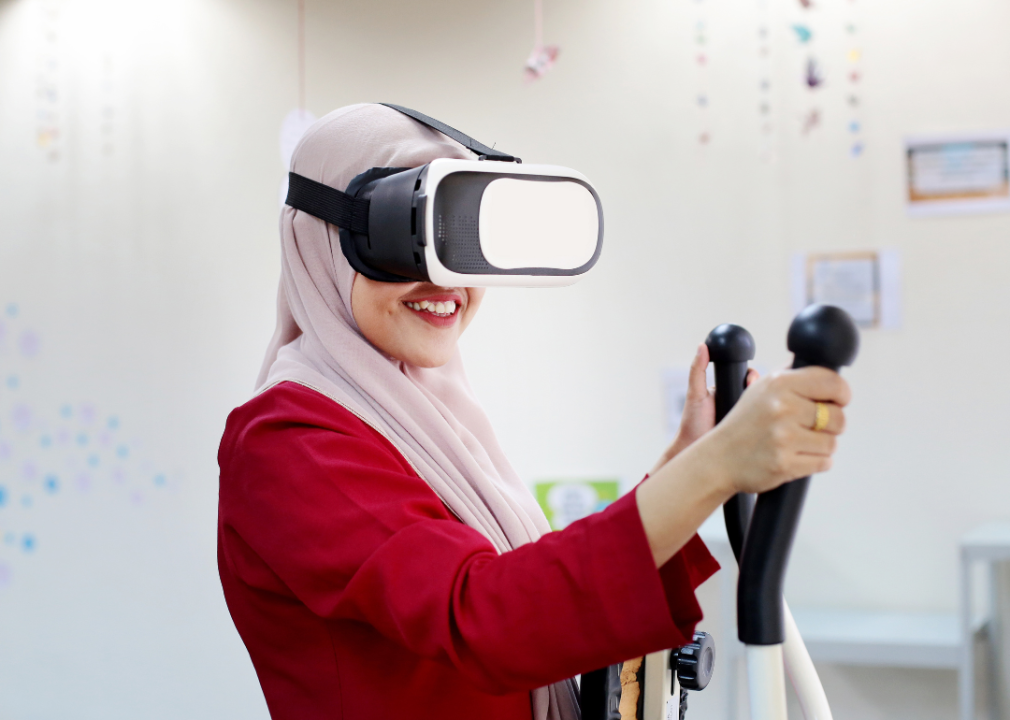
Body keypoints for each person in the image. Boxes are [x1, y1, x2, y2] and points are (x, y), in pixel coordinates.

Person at [217, 104, 850, 720]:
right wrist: (711, 469)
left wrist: (690, 467)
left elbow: (545, 602)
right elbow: (484, 618)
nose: (443, 283)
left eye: (461, 244)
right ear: (318, 244)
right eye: (397, 241)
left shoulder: (431, 421)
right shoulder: (286, 442)